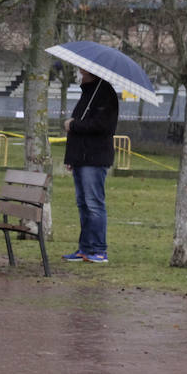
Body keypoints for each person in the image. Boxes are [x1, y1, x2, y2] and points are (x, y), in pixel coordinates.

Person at [62, 71, 119, 263]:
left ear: (90, 72)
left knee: (94, 204)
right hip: (81, 158)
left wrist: (73, 125)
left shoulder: (105, 94)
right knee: (83, 205)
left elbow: (101, 126)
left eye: (82, 71)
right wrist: (72, 157)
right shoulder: (88, 93)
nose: (79, 73)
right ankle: (85, 248)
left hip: (94, 159)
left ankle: (99, 249)